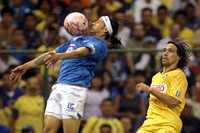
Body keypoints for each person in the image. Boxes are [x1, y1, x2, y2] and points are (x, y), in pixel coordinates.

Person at [9, 15, 121, 133]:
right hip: (58, 87)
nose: (93, 23)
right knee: (47, 130)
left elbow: (80, 52)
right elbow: (50, 54)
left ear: (105, 30)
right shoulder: (77, 39)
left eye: (98, 23)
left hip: (75, 90)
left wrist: (60, 56)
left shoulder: (101, 45)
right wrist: (24, 66)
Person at [136, 38, 189, 133]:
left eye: (170, 51)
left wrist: (150, 90)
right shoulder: (156, 77)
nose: (165, 53)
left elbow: (173, 101)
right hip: (149, 124)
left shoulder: (179, 75)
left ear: (179, 57)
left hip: (167, 124)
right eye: (164, 50)